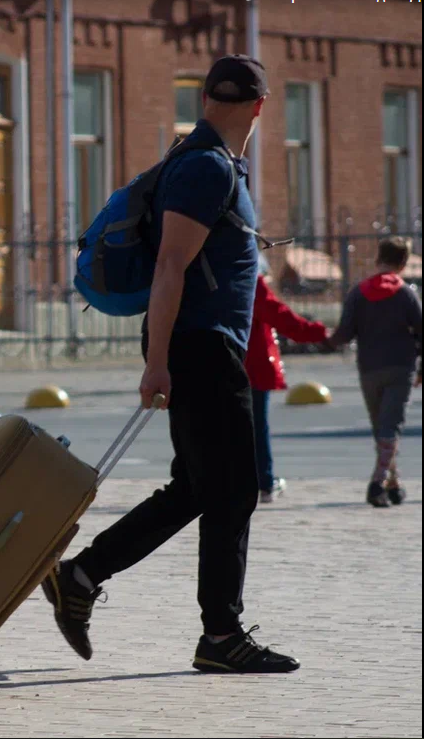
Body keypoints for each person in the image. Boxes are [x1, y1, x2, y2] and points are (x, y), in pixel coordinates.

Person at [41, 56, 301, 674]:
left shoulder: (208, 161)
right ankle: (221, 636)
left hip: (199, 344)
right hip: (200, 346)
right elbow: (169, 266)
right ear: (261, 107)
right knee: (233, 491)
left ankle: (81, 577)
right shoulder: (207, 167)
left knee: (198, 488)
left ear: (206, 97)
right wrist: (157, 362)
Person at [325, 236, 422, 507]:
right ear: (403, 263)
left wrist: (321, 336)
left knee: (381, 426)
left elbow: (344, 334)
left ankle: (393, 483)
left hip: (369, 367)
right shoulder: (405, 294)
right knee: (391, 426)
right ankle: (378, 483)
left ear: (378, 258)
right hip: (401, 366)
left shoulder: (358, 292)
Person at [245, 256, 328, 503]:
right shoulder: (249, 280)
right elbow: (280, 316)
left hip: (219, 362)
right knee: (256, 427)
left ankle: (229, 480)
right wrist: (318, 332)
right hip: (252, 365)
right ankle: (264, 482)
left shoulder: (210, 275)